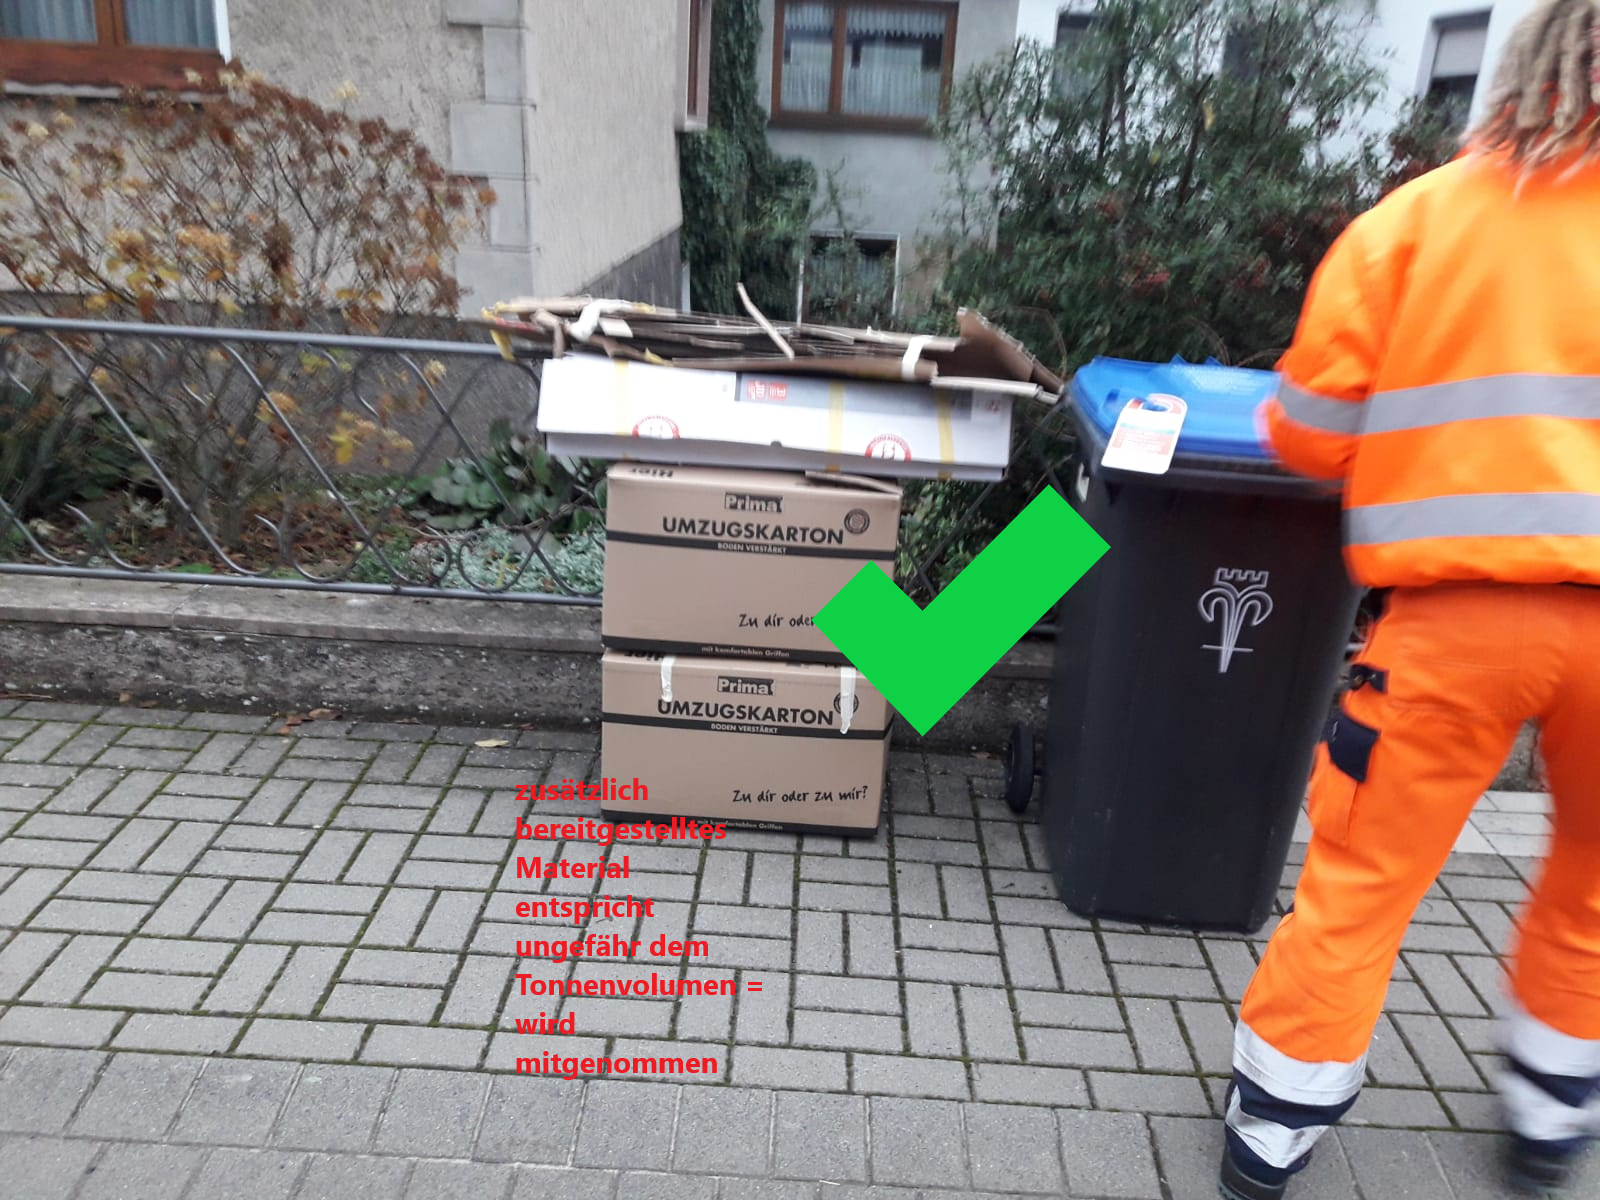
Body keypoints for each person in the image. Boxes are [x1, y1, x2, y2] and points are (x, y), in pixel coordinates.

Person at [1222, 2, 1600, 1197]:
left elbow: (1308, 432)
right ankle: (1550, 1118)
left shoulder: (1417, 224)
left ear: (1521, 65)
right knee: (1593, 884)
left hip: (1453, 624)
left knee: (1362, 880)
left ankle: (1272, 1128)